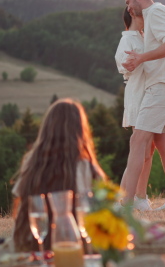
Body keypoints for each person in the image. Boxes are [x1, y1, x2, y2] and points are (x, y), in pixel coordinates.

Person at [121, 0, 165, 210]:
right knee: (162, 142)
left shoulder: (155, 11)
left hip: (162, 84)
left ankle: (128, 203)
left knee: (138, 139)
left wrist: (141, 58)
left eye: (128, 2)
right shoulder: (158, 13)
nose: (128, 8)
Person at [12, 98, 106, 252]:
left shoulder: (32, 164)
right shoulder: (86, 168)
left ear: (46, 129)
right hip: (79, 252)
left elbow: (20, 217)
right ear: (80, 130)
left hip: (33, 251)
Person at [114, 7, 156, 211]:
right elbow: (123, 65)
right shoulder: (127, 40)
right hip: (138, 96)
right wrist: (132, 61)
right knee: (139, 149)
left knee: (148, 151)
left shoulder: (143, 37)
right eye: (142, 15)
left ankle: (140, 196)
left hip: (149, 95)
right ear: (133, 15)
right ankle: (124, 198)